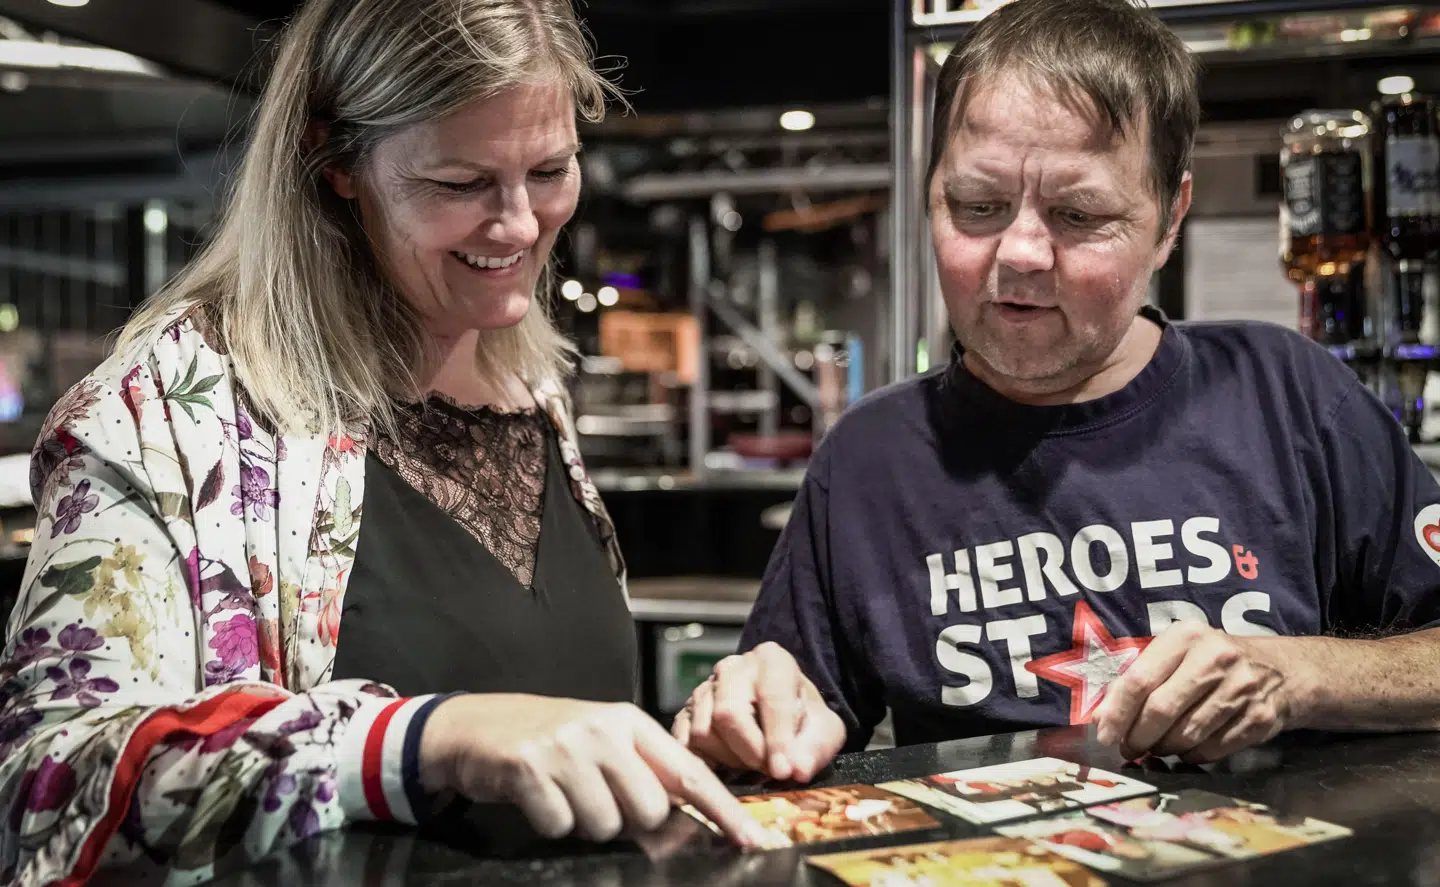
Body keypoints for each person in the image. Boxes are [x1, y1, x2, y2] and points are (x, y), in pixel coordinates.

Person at [0, 0, 765, 883]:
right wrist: (416, 740)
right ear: (338, 163)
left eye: (550, 169)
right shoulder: (165, 408)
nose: (519, 224)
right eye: (460, 184)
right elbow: (47, 782)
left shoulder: (530, 383)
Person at [672, 0, 1440, 783]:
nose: (1022, 252)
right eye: (977, 206)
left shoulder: (1288, 395)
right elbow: (778, 721)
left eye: (1078, 213)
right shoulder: (869, 461)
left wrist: (1301, 675)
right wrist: (746, 714)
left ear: (1170, 217)